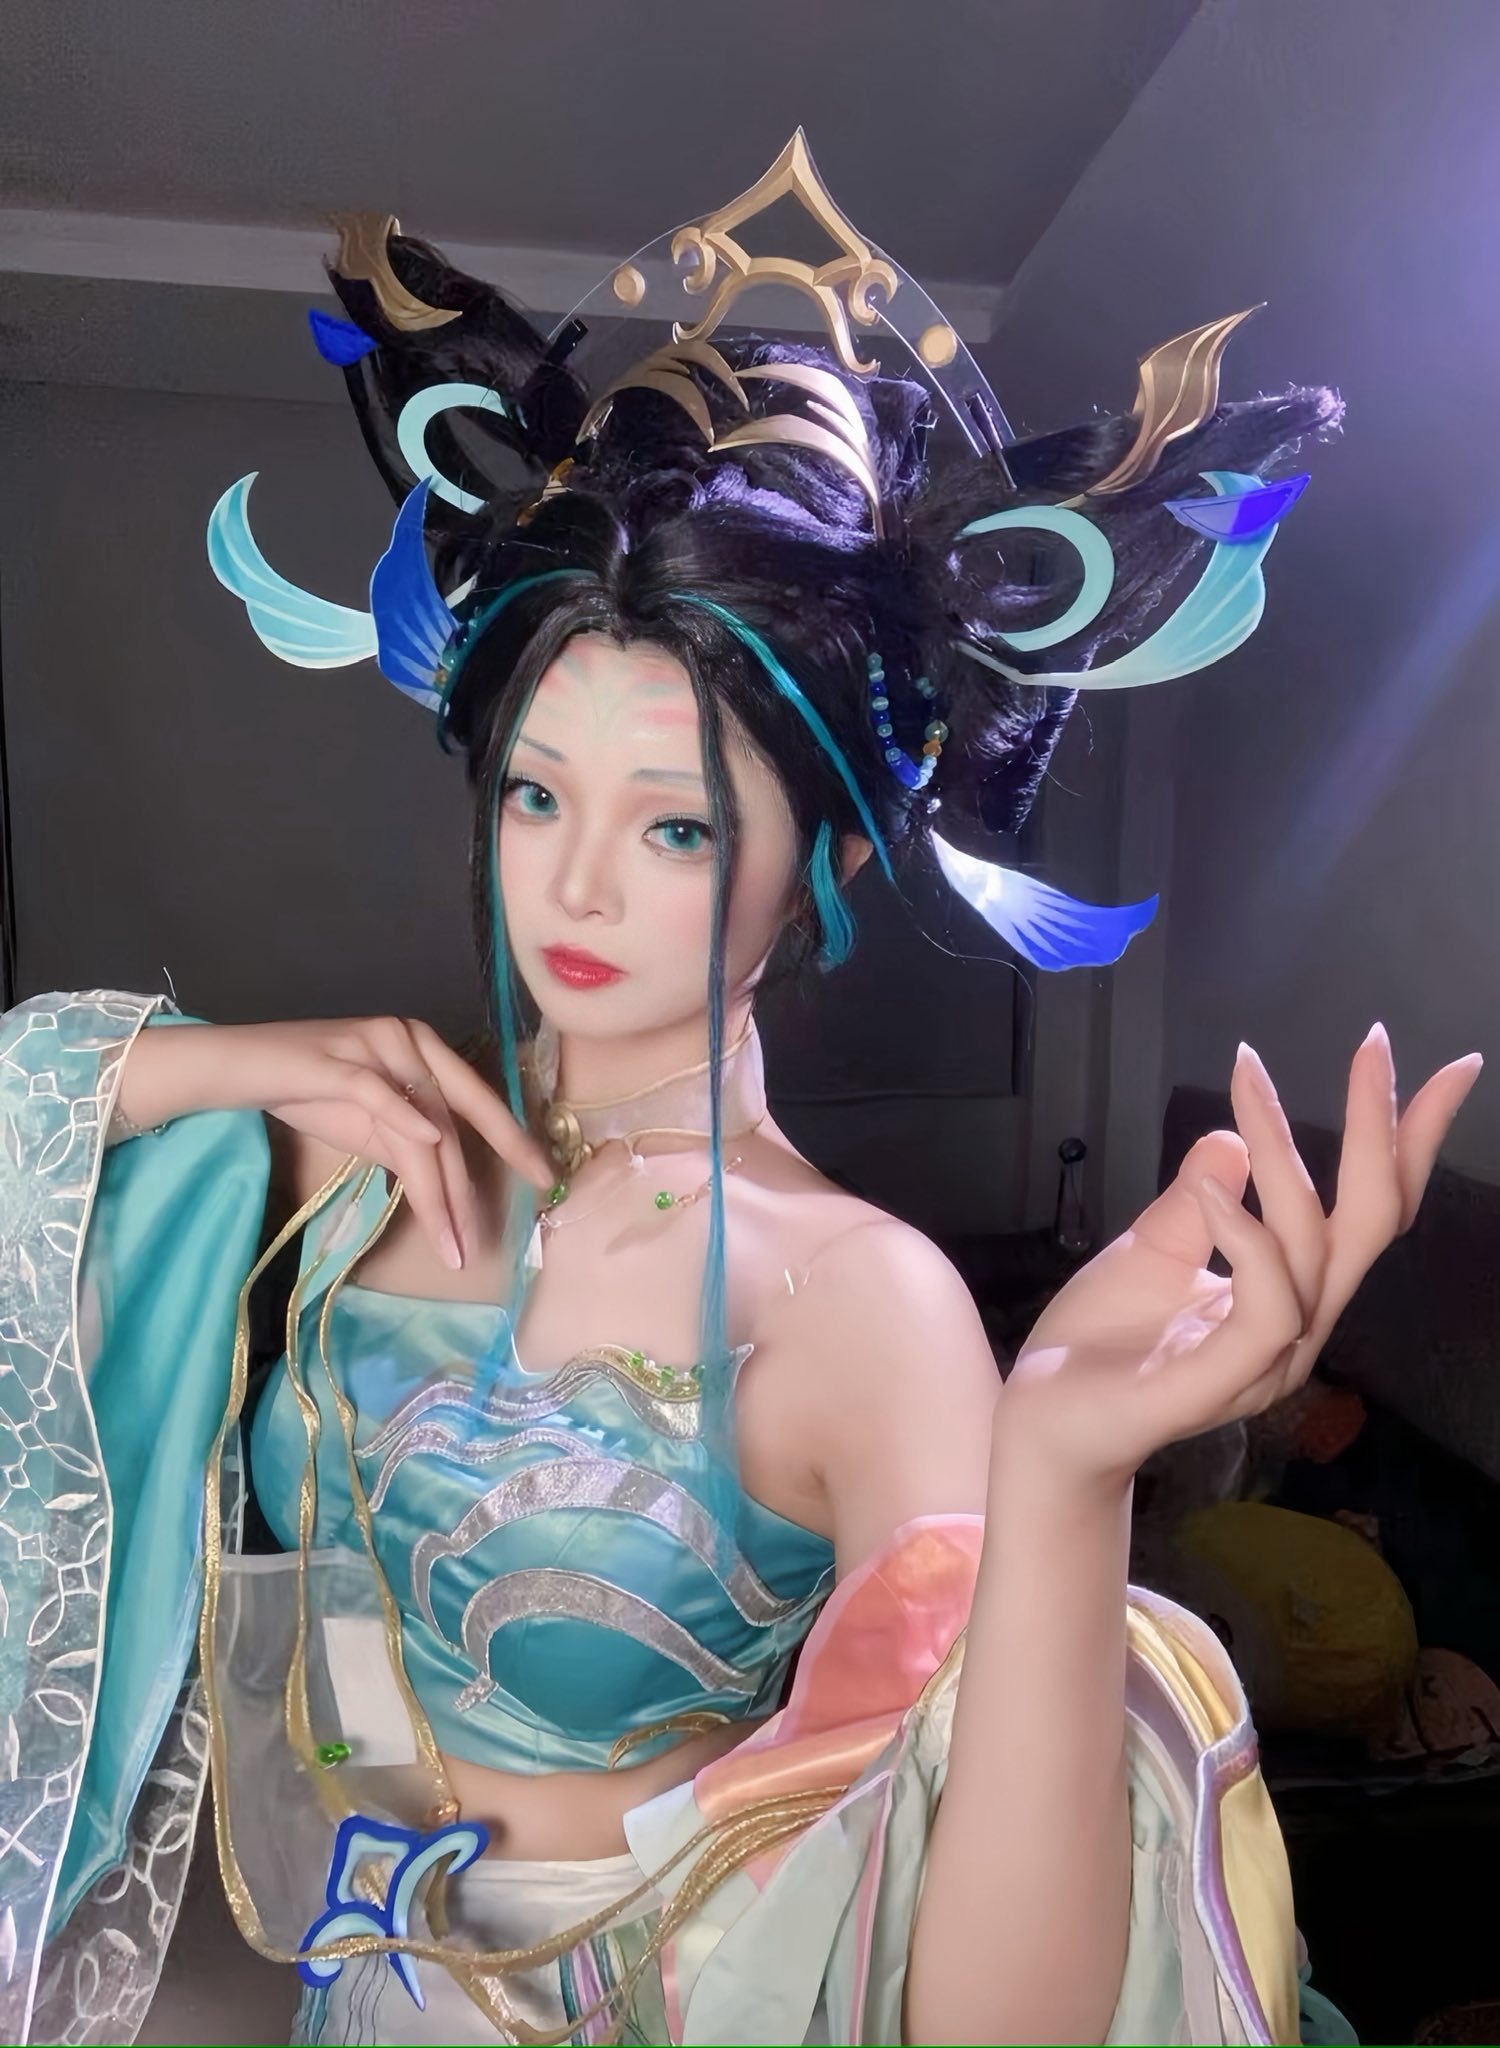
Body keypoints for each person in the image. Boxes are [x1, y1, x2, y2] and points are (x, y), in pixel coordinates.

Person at [2, 135, 1475, 2047]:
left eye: (677, 824)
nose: (575, 887)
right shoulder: (349, 1154)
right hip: (347, 1983)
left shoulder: (859, 1298)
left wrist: (1063, 1472)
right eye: (535, 794)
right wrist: (202, 1064)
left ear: (827, 866)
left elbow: (999, 2024)